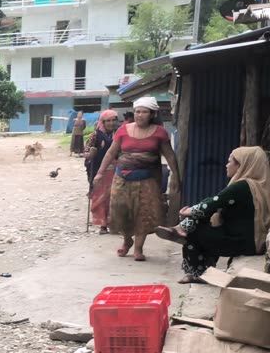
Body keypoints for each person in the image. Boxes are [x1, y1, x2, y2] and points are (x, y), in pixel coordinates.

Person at [155, 147, 270, 283]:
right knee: (201, 221)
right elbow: (214, 203)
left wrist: (188, 211)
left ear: (241, 165)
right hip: (251, 242)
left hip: (243, 244)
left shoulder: (241, 186)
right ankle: (181, 230)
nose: (227, 165)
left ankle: (197, 271)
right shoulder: (260, 186)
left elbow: (213, 204)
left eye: (230, 162)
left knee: (194, 231)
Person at [92, 96, 180, 261]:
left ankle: (138, 248)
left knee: (143, 214)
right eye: (137, 111)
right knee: (120, 211)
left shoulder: (160, 132)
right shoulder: (123, 130)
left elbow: (169, 155)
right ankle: (127, 240)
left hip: (147, 180)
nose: (140, 115)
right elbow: (111, 152)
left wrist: (177, 176)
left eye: (144, 112)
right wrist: (99, 172)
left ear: (152, 114)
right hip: (122, 178)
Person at [85, 110, 119, 234]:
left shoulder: (119, 133)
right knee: (100, 199)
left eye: (113, 120)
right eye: (108, 121)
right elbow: (86, 152)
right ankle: (103, 225)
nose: (111, 123)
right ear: (103, 122)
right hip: (99, 171)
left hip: (116, 171)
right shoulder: (95, 135)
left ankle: (113, 223)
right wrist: (91, 154)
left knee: (114, 198)